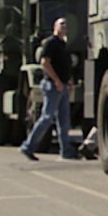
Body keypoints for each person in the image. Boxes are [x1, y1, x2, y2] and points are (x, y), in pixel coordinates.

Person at [20, 18, 77, 160]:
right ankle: (28, 147)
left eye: (66, 25)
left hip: (62, 86)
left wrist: (69, 81)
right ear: (55, 27)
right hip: (52, 85)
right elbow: (45, 62)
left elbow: (66, 65)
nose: (65, 27)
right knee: (46, 118)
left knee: (64, 121)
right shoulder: (50, 43)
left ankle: (66, 151)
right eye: (62, 24)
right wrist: (57, 80)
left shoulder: (64, 44)